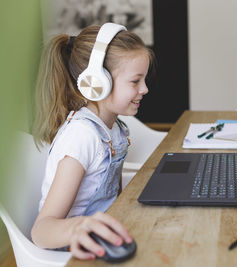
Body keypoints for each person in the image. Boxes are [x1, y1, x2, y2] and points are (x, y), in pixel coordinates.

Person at [31, 23, 153, 260]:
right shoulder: (82, 136)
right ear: (99, 82)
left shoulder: (114, 128)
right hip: (72, 249)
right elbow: (41, 230)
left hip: (107, 233)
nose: (145, 89)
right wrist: (77, 227)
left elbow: (110, 195)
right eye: (135, 81)